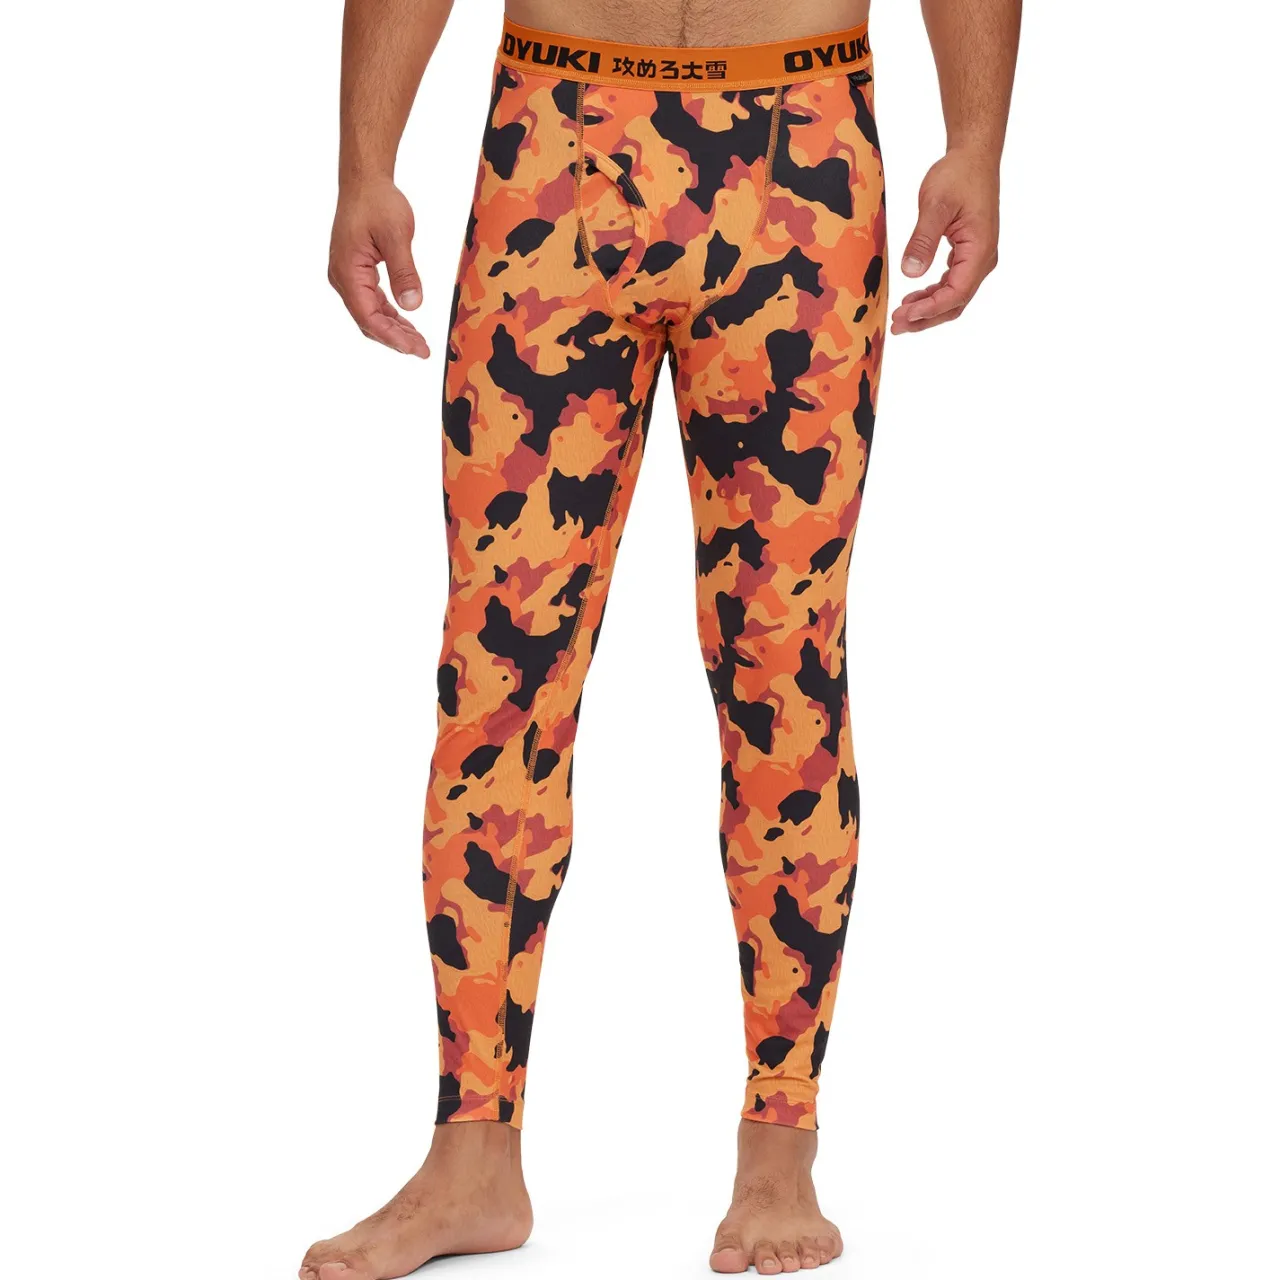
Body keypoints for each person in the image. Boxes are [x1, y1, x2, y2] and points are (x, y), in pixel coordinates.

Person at [303, 0, 1018, 1274]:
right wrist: (366, 159)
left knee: (783, 666)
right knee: (499, 670)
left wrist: (976, 141)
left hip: (800, 146)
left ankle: (778, 1143)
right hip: (551, 137)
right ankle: (471, 1151)